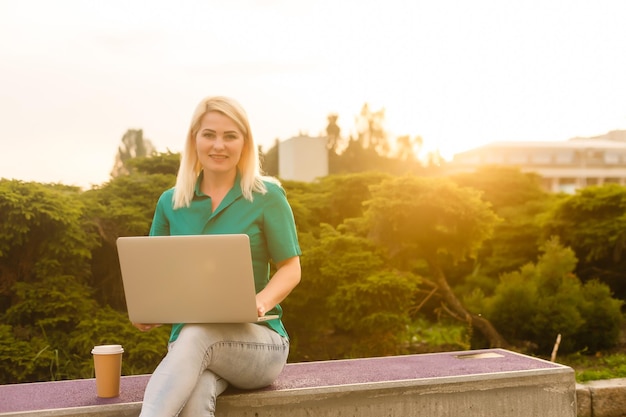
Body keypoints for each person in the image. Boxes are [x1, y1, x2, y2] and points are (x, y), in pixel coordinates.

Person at [133, 95, 302, 417]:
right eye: (209, 134)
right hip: (188, 346)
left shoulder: (268, 197)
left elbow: (291, 269)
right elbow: (155, 276)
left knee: (199, 333)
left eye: (230, 136)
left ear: (245, 143)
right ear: (194, 139)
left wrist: (261, 301)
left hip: (258, 344)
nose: (218, 145)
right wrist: (149, 309)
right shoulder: (170, 202)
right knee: (195, 399)